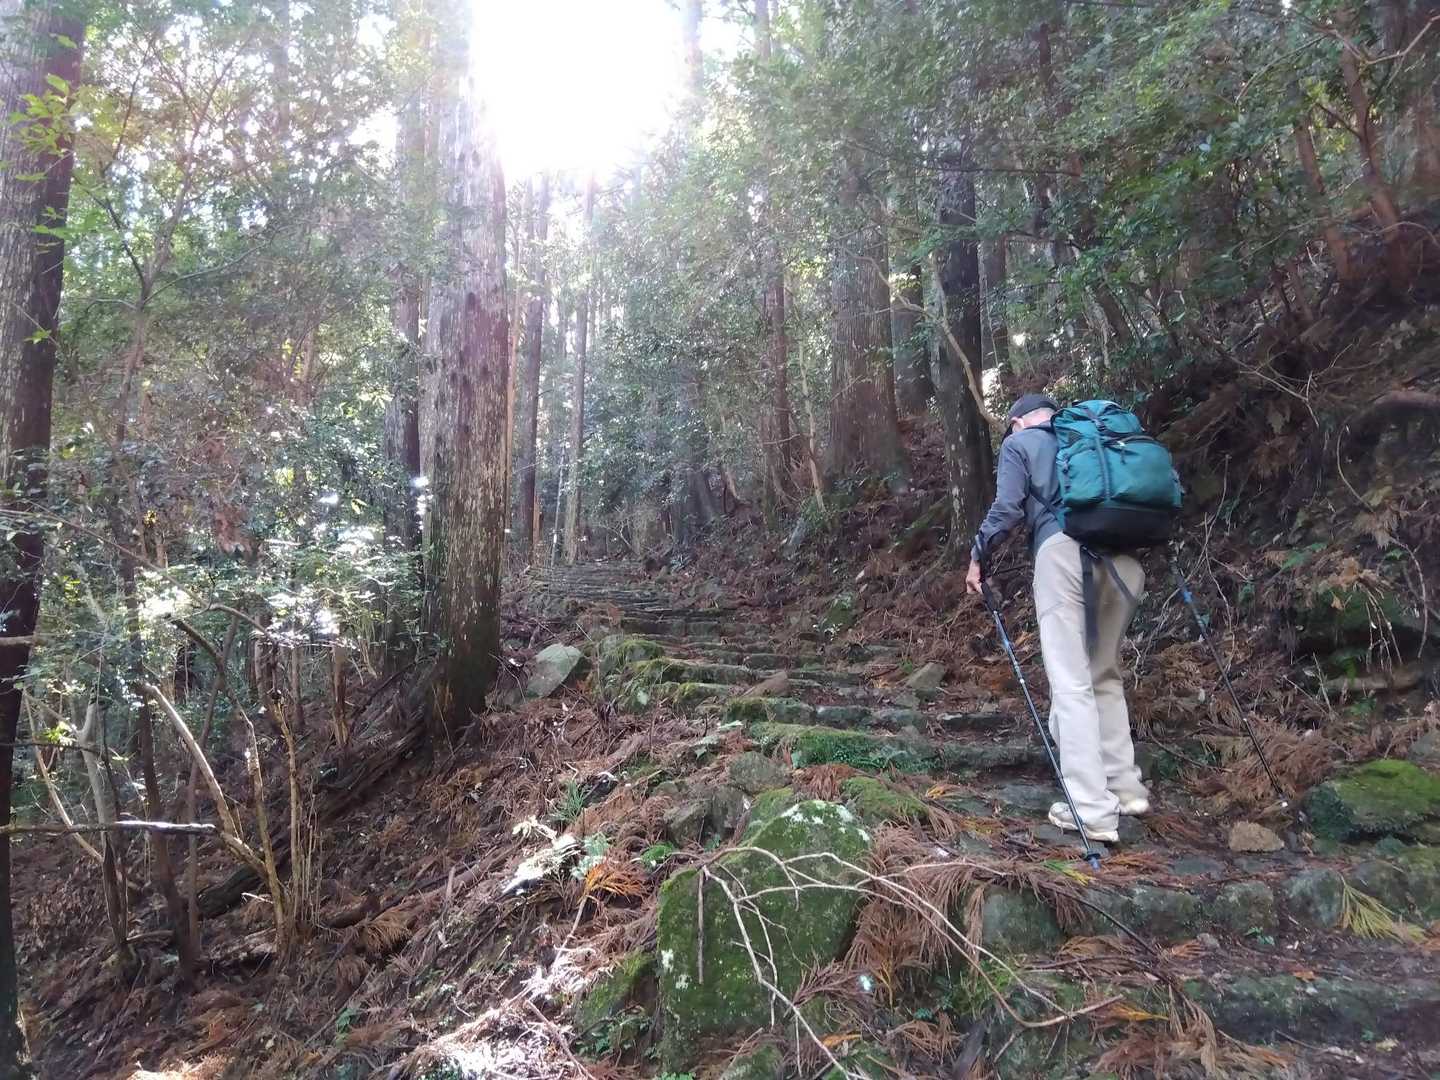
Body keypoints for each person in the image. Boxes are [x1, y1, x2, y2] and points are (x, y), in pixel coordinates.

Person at [965, 393, 1148, 843]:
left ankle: (1091, 810)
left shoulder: (1020, 443)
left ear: (1017, 422)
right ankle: (1126, 790)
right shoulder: (1096, 438)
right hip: (1125, 562)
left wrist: (977, 557)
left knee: (1071, 681)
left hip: (1064, 555)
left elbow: (1007, 508)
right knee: (1105, 674)